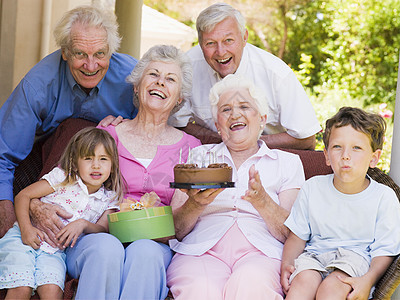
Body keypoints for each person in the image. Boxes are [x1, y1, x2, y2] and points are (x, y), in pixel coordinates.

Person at [33, 45, 200, 300]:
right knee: (106, 247)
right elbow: (59, 181)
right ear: (136, 85)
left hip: (155, 244)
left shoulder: (190, 148)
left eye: (170, 79)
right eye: (153, 74)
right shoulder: (107, 135)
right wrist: (35, 205)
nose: (160, 83)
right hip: (93, 238)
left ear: (179, 98)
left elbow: (179, 225)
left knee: (145, 251)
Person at [0, 5, 137, 238]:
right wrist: (9, 217)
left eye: (100, 54)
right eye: (80, 54)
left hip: (106, 177)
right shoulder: (38, 84)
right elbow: (3, 156)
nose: (91, 65)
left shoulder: (134, 79)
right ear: (65, 52)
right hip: (43, 167)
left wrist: (125, 128)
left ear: (112, 51)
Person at [166, 74, 305, 299]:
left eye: (244, 106)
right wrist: (195, 204)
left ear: (262, 118)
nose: (235, 114)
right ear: (218, 124)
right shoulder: (199, 156)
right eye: (226, 109)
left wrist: (263, 202)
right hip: (202, 250)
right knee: (201, 290)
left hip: (262, 252)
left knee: (251, 285)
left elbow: (290, 233)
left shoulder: (287, 163)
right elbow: (176, 229)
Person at [281, 107, 400, 300]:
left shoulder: (383, 197)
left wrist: (368, 280)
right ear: (326, 155)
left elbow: (385, 251)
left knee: (331, 289)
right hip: (314, 256)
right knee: (302, 284)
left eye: (356, 148)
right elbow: (297, 237)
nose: (345, 155)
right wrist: (286, 265)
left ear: (374, 158)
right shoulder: (313, 188)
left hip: (355, 260)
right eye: (337, 147)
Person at [168, 2, 321, 150]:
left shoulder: (276, 73)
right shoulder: (187, 67)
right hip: (215, 156)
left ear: (244, 37)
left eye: (228, 40)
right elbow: (178, 123)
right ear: (200, 44)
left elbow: (306, 139)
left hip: (273, 157)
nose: (221, 52)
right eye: (210, 43)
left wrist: (247, 142)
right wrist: (223, 142)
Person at [0, 127, 124, 299]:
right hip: (24, 239)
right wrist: (26, 229)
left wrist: (83, 224)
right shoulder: (63, 177)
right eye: (88, 158)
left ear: (112, 164)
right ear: (74, 162)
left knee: (52, 292)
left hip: (56, 252)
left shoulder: (109, 198)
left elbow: (103, 229)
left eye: (103, 159)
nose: (96, 165)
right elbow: (24, 195)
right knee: (22, 288)